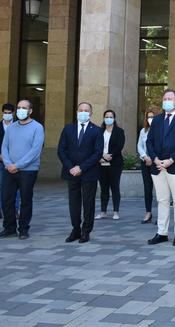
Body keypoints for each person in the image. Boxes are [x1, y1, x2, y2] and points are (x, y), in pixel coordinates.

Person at [146, 89, 175, 247]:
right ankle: (162, 232)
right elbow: (149, 142)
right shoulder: (157, 120)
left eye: (170, 98)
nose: (166, 101)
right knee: (162, 201)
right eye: (165, 98)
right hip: (158, 167)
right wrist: (156, 159)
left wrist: (171, 160)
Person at [0, 99, 45, 240]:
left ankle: (23, 229)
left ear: (30, 111)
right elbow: (4, 147)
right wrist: (9, 164)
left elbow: (35, 151)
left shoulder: (37, 127)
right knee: (6, 199)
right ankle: (9, 228)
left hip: (28, 170)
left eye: (24, 108)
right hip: (9, 169)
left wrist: (18, 165)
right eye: (19, 107)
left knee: (26, 200)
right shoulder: (11, 127)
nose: (21, 110)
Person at [57, 102, 103, 243]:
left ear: (91, 113)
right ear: (77, 111)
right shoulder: (68, 129)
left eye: (86, 110)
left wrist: (81, 167)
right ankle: (75, 229)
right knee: (74, 203)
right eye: (81, 110)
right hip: (71, 172)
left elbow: (97, 153)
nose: (83, 112)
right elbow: (61, 150)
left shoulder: (96, 130)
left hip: (89, 172)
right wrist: (71, 167)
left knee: (88, 203)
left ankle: (86, 230)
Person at [0, 104, 19, 219]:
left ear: (13, 113)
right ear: (2, 113)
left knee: (16, 186)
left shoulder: (17, 125)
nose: (7, 115)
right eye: (5, 113)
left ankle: (15, 210)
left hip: (14, 161)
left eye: (9, 113)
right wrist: (0, 154)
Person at [95, 110, 126, 220]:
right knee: (104, 188)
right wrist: (101, 156)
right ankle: (103, 211)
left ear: (114, 118)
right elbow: (95, 146)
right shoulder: (99, 131)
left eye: (111, 116)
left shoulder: (119, 131)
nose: (108, 118)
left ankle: (116, 211)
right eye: (106, 116)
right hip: (101, 163)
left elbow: (119, 146)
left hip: (115, 163)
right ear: (103, 118)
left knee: (114, 187)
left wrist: (110, 155)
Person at [137, 106, 159, 224]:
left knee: (160, 189)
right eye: (149, 117)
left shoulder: (161, 130)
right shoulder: (143, 131)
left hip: (157, 162)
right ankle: (148, 212)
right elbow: (139, 145)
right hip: (146, 162)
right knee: (147, 188)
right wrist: (145, 156)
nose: (150, 119)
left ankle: (161, 214)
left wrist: (153, 158)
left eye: (153, 116)